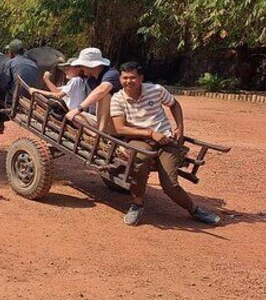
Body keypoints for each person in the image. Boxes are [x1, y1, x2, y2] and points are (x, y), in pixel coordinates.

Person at [110, 61, 221, 226]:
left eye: (132, 77)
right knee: (140, 161)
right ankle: (137, 204)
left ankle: (194, 210)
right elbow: (120, 128)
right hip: (139, 139)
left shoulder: (156, 90)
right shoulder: (117, 99)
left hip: (165, 140)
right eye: (125, 78)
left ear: (141, 78)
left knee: (170, 184)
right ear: (120, 79)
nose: (128, 81)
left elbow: (174, 104)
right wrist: (150, 133)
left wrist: (180, 127)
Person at [65, 47, 120, 133]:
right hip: (96, 118)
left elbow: (102, 90)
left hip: (114, 122)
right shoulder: (90, 79)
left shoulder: (111, 74)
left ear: (91, 65)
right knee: (74, 117)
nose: (81, 68)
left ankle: (100, 134)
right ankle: (94, 135)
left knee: (105, 96)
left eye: (81, 65)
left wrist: (79, 109)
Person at [0, 39, 43, 112]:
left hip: (15, 99)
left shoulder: (10, 63)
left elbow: (2, 86)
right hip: (31, 98)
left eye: (9, 50)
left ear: (11, 52)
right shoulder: (33, 63)